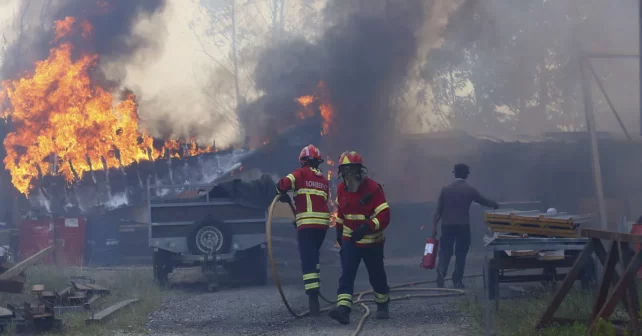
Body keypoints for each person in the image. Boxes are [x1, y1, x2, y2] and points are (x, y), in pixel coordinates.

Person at [328, 151, 391, 325]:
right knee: (347, 275)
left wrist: (367, 227)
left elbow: (385, 215)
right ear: (341, 172)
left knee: (376, 275)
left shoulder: (373, 188)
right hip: (351, 242)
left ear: (359, 170)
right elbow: (341, 212)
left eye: (352, 169)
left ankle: (383, 304)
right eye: (345, 170)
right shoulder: (341, 188)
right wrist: (339, 232)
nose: (348, 174)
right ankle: (344, 311)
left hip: (372, 242)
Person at [276, 144, 330, 316]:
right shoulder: (323, 180)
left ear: (303, 161)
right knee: (313, 257)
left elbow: (283, 183)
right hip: (322, 226)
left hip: (307, 226)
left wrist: (282, 193)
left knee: (308, 261)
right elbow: (322, 200)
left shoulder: (299, 174)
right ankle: (316, 291)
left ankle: (313, 299)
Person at [431, 163, 499, 289]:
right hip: (463, 226)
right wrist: (494, 204)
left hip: (447, 226)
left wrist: (434, 228)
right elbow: (482, 200)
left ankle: (441, 273)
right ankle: (457, 280)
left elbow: (438, 211)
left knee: (445, 251)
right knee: (461, 253)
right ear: (465, 174)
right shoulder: (469, 189)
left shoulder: (445, 189)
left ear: (454, 173)